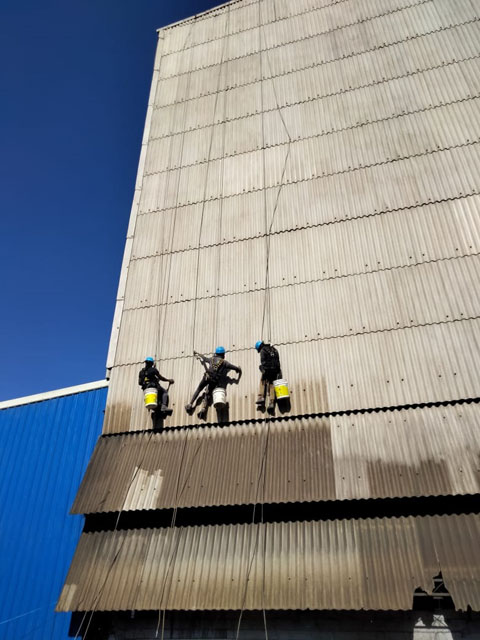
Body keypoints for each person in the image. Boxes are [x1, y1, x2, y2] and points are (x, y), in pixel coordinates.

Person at [185, 346, 242, 420]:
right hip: (214, 381)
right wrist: (238, 369)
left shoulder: (211, 359)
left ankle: (190, 404)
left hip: (206, 377)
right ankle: (203, 409)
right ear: (223, 354)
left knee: (199, 389)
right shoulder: (224, 363)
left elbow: (204, 358)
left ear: (216, 353)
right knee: (208, 394)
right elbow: (235, 368)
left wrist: (197, 353)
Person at [255, 340, 282, 414]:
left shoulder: (263, 350)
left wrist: (264, 370)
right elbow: (278, 362)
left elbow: (263, 362)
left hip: (268, 370)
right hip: (275, 370)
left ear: (259, 347)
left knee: (262, 381)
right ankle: (271, 403)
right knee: (272, 385)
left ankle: (261, 397)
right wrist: (277, 372)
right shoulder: (274, 349)